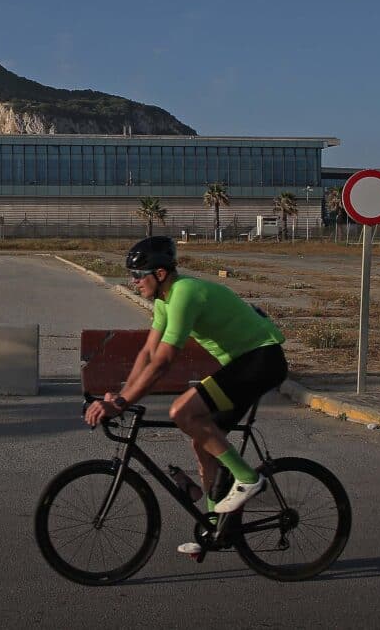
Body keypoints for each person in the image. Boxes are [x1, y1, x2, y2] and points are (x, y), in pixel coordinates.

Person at [83, 235, 289, 555]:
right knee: (203, 442)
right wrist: (120, 395)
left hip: (261, 360)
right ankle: (216, 528)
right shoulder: (164, 302)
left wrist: (123, 402)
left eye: (138, 275)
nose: (133, 281)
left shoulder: (184, 294)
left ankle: (248, 478)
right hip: (243, 364)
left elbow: (164, 362)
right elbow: (148, 354)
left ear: (160, 274)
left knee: (182, 412)